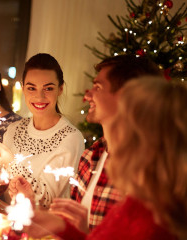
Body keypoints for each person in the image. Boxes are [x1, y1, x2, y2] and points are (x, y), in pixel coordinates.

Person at [10, 55, 163, 232]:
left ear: (127, 97)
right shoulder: (92, 156)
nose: (87, 95)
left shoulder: (151, 171)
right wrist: (31, 200)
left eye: (98, 87)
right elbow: (78, 229)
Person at [25, 77, 187, 240]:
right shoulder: (141, 200)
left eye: (120, 120)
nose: (112, 131)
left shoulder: (151, 221)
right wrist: (63, 227)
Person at [0, 53, 85, 207]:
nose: (39, 96)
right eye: (31, 88)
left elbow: (47, 202)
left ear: (60, 89)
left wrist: (11, 164)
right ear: (23, 88)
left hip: (39, 227)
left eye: (48, 88)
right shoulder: (15, 128)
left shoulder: (71, 138)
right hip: (6, 218)